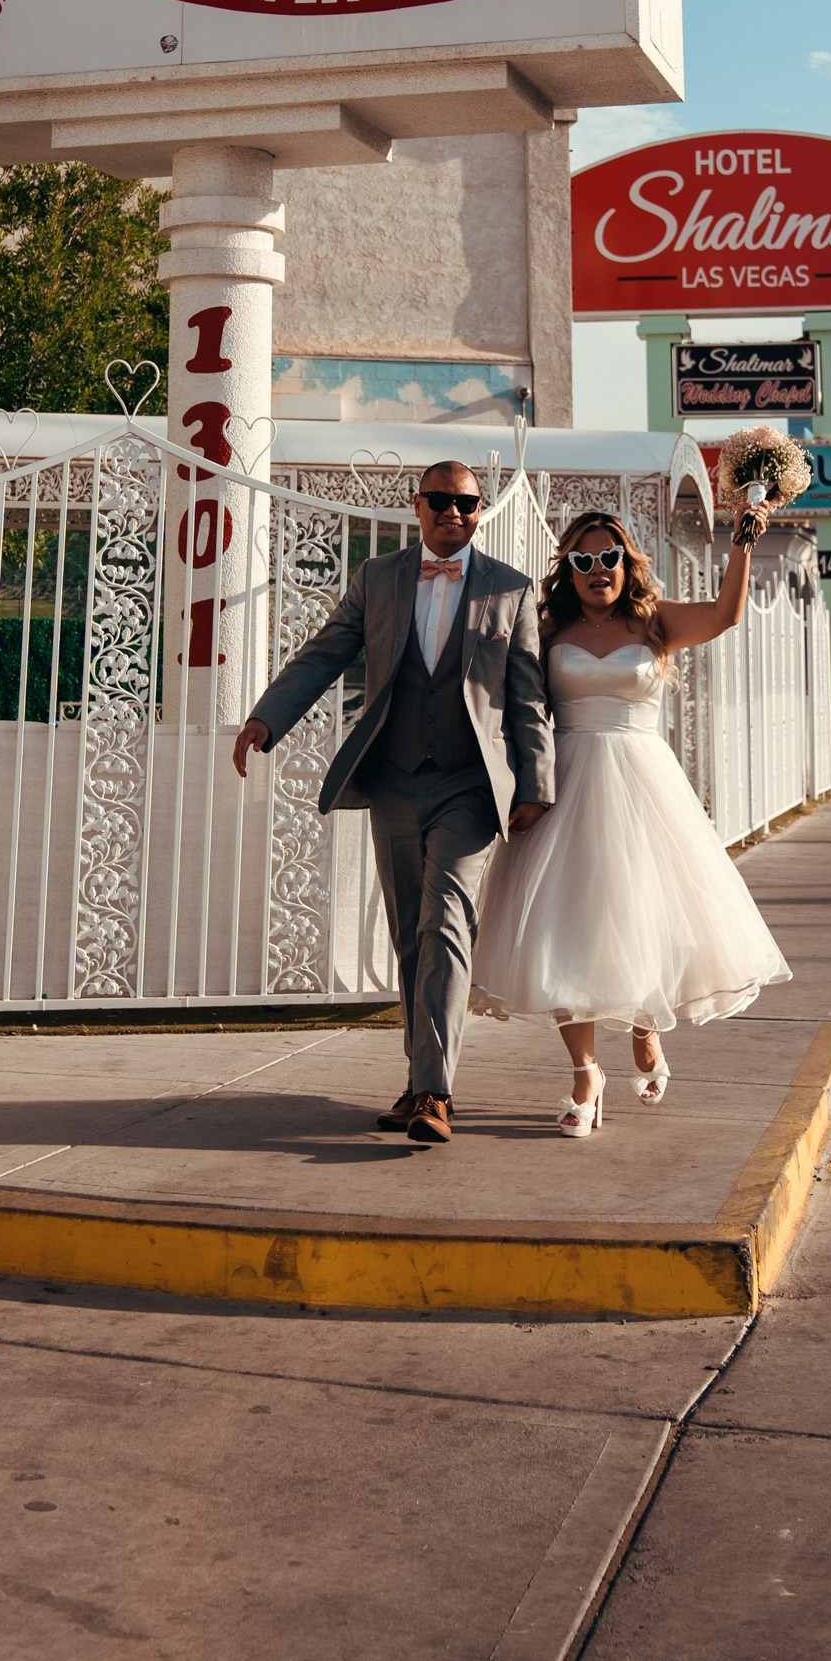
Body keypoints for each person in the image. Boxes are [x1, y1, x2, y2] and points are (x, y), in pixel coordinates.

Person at [232, 459, 551, 1148]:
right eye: (439, 501)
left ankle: (435, 1090)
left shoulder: (512, 590)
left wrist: (535, 786)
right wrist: (265, 720)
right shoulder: (377, 578)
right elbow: (323, 656)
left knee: (445, 924)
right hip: (395, 780)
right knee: (411, 931)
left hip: (470, 784)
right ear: (417, 506)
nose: (452, 514)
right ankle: (417, 1082)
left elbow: (527, 698)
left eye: (465, 504)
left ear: (478, 510)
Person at [471, 501, 792, 1134]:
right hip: (566, 784)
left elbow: (726, 616)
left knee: (645, 915)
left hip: (643, 783)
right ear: (569, 568)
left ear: (626, 563)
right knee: (562, 929)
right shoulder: (548, 627)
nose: (598, 570)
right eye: (584, 559)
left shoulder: (654, 623)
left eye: (609, 557)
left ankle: (647, 1025)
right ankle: (585, 1075)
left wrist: (742, 545)